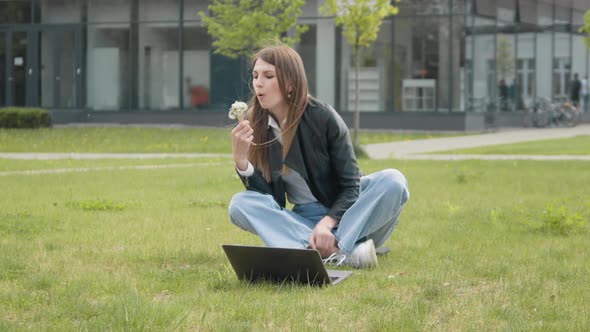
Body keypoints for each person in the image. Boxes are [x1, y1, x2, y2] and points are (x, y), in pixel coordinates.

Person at [228, 45, 409, 269]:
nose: (258, 83)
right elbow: (271, 200)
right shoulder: (256, 123)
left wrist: (328, 222)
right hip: (304, 220)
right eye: (255, 76)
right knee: (240, 204)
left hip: (351, 214)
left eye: (268, 76)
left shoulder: (321, 116)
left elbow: (351, 185)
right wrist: (241, 161)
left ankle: (323, 248)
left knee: (394, 180)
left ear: (291, 83)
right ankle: (342, 252)